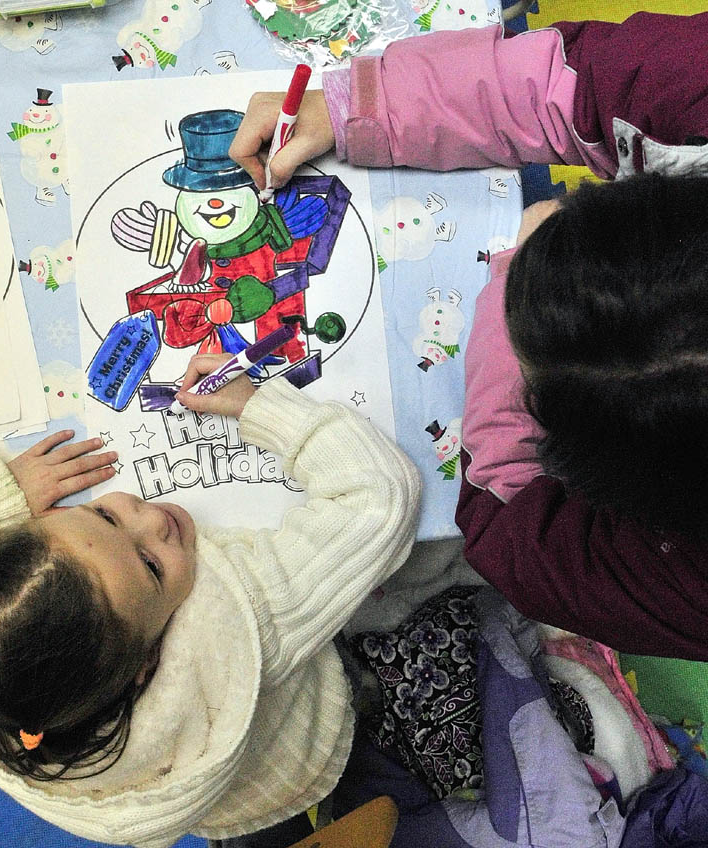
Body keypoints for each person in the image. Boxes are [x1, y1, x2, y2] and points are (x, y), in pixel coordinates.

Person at [229, 11, 708, 661]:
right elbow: (565, 82)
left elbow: (519, 543)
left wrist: (510, 291)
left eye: (536, 397)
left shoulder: (682, 585)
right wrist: (361, 110)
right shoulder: (688, 79)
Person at [0, 354, 419, 846]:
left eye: (102, 518)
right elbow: (379, 495)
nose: (150, 518)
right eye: (151, 567)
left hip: (199, 793)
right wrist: (260, 407)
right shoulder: (242, 623)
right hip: (295, 739)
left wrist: (2, 490)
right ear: (148, 662)